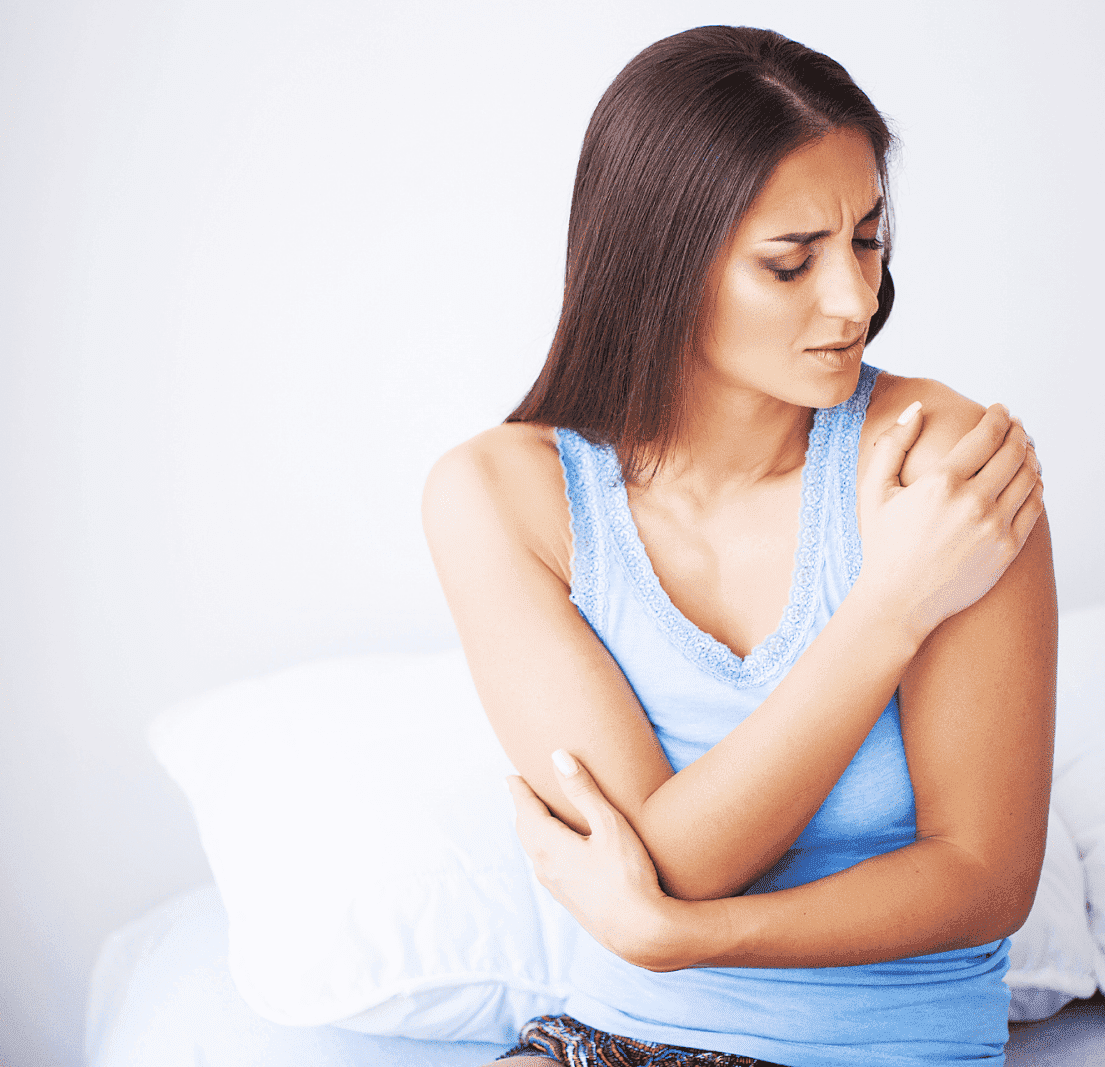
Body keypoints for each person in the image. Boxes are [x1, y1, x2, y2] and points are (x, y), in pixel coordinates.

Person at [422, 25, 1055, 1067]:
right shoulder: (501, 493)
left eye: (865, 237)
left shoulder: (935, 461)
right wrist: (887, 609)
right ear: (658, 266)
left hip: (884, 1048)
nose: (854, 301)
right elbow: (670, 861)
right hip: (609, 1035)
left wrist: (690, 939)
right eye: (790, 262)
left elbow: (985, 872)